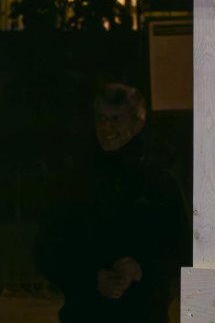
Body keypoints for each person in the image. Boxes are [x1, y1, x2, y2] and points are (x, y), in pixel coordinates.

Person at [35, 82, 190, 323]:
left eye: (116, 119)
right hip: (86, 312)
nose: (107, 127)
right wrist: (90, 278)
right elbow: (46, 249)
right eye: (101, 118)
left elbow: (182, 248)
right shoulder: (75, 181)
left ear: (137, 123)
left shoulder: (159, 183)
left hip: (144, 313)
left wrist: (142, 268)